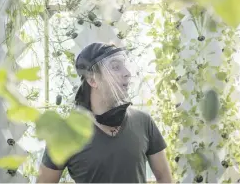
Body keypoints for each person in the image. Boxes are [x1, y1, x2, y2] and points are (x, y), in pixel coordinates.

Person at [36, 42, 173, 183]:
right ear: (92, 80)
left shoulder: (143, 121)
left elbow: (164, 178)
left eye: (124, 65)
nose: (127, 73)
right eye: (115, 67)